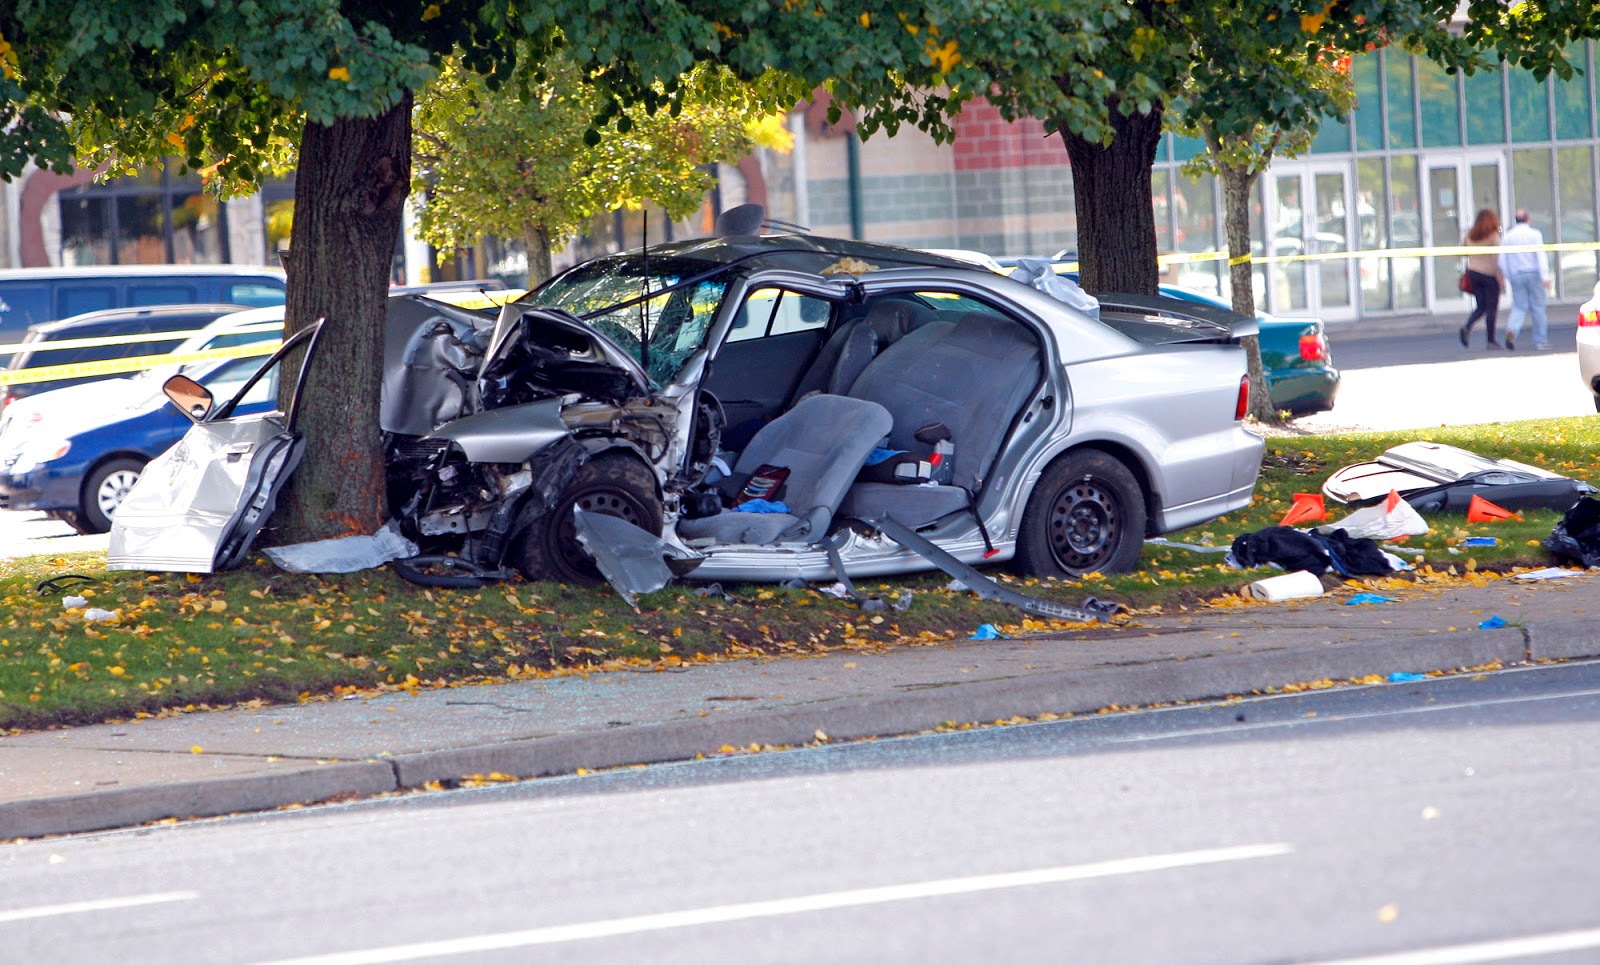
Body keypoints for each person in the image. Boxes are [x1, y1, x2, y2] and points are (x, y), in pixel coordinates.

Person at [1497, 209, 1552, 351]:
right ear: (1528, 219)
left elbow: (1502, 260)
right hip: (1533, 273)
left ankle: (1511, 333)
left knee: (1519, 307)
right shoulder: (1534, 234)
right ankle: (1540, 341)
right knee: (1538, 307)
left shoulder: (1508, 236)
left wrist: (1509, 275)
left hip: (1517, 275)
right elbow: (1540, 256)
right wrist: (1545, 276)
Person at [1459, 208, 1504, 348]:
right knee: (1491, 309)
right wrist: (1500, 278)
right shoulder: (1493, 236)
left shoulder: (1470, 235)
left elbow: (1462, 251)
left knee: (1481, 306)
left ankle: (1467, 326)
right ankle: (1491, 340)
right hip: (1489, 275)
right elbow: (1498, 259)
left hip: (1473, 273)